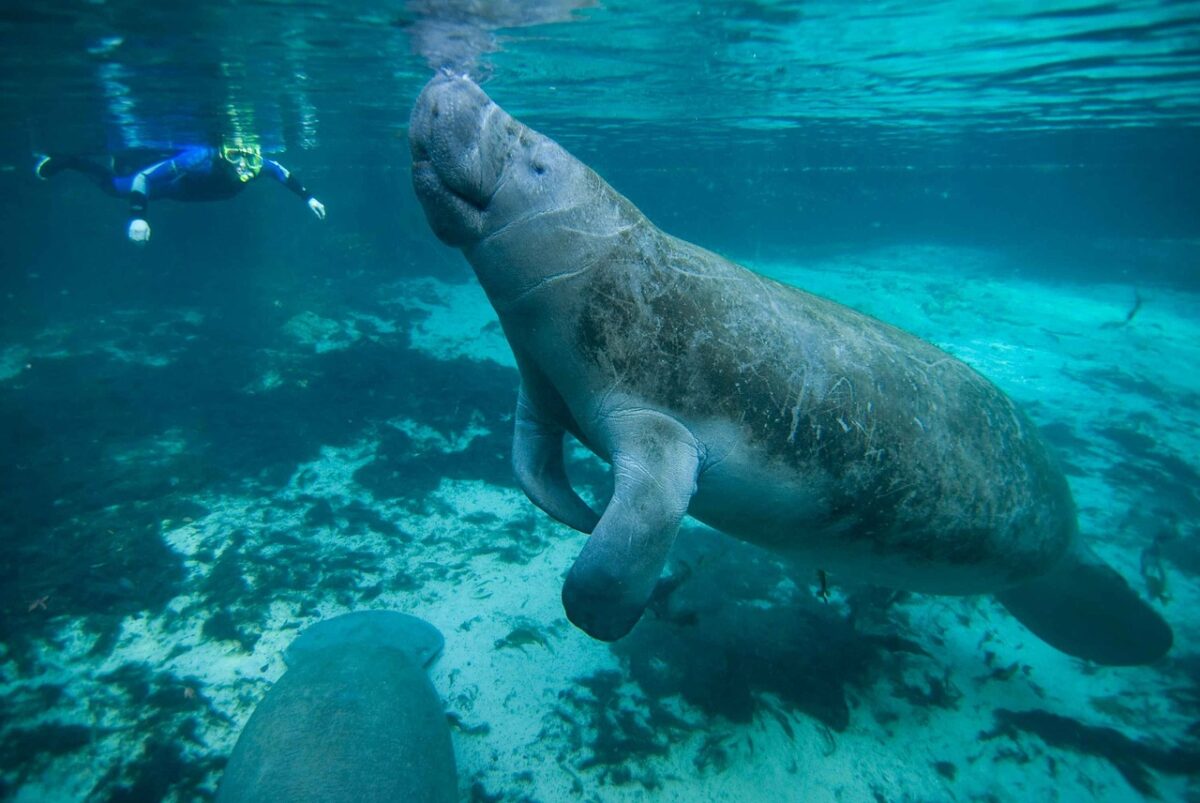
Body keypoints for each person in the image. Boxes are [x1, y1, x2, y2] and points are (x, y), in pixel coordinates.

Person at [35, 141, 326, 244]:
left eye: (250, 158)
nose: (243, 164)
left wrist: (309, 197)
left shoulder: (259, 165)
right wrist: (138, 216)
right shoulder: (198, 159)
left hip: (189, 193)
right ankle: (70, 161)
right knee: (115, 187)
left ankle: (124, 159)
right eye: (234, 155)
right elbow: (145, 179)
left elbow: (282, 173)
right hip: (170, 187)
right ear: (222, 153)